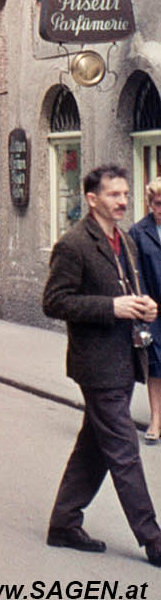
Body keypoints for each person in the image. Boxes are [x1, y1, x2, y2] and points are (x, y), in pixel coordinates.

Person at [44, 163, 161, 566]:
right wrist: (112, 307)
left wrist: (142, 305)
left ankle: (63, 522)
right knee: (124, 448)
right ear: (91, 199)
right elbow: (55, 301)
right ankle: (153, 538)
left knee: (93, 446)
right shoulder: (74, 244)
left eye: (126, 194)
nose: (123, 202)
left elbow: (128, 288)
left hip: (124, 355)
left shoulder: (124, 242)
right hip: (96, 363)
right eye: (114, 195)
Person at [130, 178, 161, 443]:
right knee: (156, 367)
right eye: (158, 204)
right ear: (150, 204)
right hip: (154, 311)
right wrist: (143, 304)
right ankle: (156, 420)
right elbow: (135, 273)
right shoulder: (139, 232)